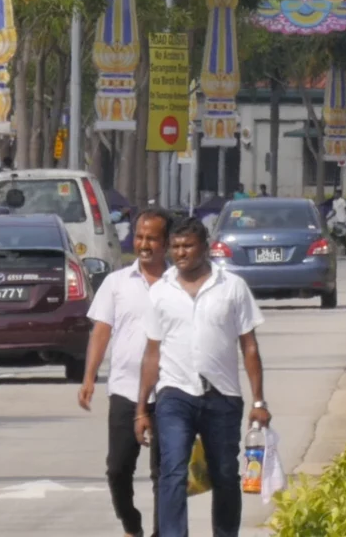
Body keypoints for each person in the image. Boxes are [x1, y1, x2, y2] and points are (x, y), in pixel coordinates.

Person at [137, 216, 268, 537]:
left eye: (188, 246)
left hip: (222, 396)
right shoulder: (160, 292)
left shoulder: (232, 287)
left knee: (224, 474)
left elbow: (249, 346)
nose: (181, 253)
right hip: (174, 395)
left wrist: (259, 400)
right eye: (176, 247)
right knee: (173, 472)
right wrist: (141, 408)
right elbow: (152, 353)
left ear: (205, 248)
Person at [82, 209, 174, 537]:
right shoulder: (116, 283)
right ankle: (132, 527)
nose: (144, 244)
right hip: (125, 390)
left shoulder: (179, 284)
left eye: (152, 238)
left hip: (171, 392)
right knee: (118, 469)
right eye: (139, 237)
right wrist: (90, 377)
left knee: (165, 474)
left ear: (166, 243)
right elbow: (101, 331)